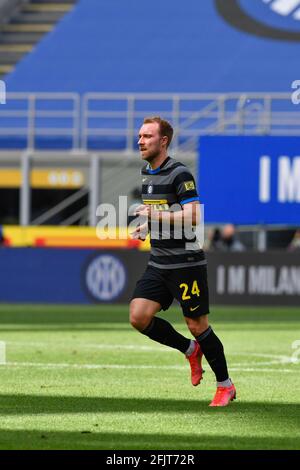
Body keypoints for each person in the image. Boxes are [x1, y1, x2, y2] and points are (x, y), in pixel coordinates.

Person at [129, 116, 236, 407]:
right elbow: (164, 214)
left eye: (147, 136)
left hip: (186, 264)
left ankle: (225, 385)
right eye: (140, 135)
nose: (140, 141)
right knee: (138, 316)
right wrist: (147, 228)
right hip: (159, 262)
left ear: (163, 141)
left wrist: (155, 217)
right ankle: (190, 350)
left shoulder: (180, 173)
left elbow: (193, 216)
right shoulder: (147, 173)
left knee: (198, 325)